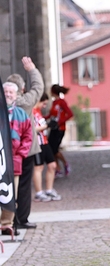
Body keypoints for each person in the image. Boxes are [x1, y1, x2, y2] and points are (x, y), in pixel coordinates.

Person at [7, 56, 44, 230]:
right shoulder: (26, 102)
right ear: (22, 88)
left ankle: (7, 219)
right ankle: (22, 219)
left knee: (7, 185)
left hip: (7, 151)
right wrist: (32, 69)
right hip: (27, 150)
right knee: (23, 186)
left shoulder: (3, 103)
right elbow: (38, 87)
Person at [2, 82, 32, 235]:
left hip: (14, 160)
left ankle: (7, 224)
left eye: (10, 92)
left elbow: (28, 136)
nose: (7, 94)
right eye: (5, 91)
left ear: (16, 95)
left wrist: (21, 154)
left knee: (10, 193)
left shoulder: (21, 114)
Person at [32, 93, 62, 202]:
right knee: (38, 167)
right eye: (43, 103)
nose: (44, 106)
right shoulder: (31, 112)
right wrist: (47, 125)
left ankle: (49, 189)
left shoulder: (39, 112)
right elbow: (32, 129)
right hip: (37, 143)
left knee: (52, 165)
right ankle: (39, 192)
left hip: (44, 141)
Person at [45, 84, 73, 178]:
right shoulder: (54, 102)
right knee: (51, 149)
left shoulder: (62, 102)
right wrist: (44, 118)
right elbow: (51, 114)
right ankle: (58, 169)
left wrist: (61, 121)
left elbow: (69, 114)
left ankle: (65, 163)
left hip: (60, 129)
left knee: (55, 149)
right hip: (53, 128)